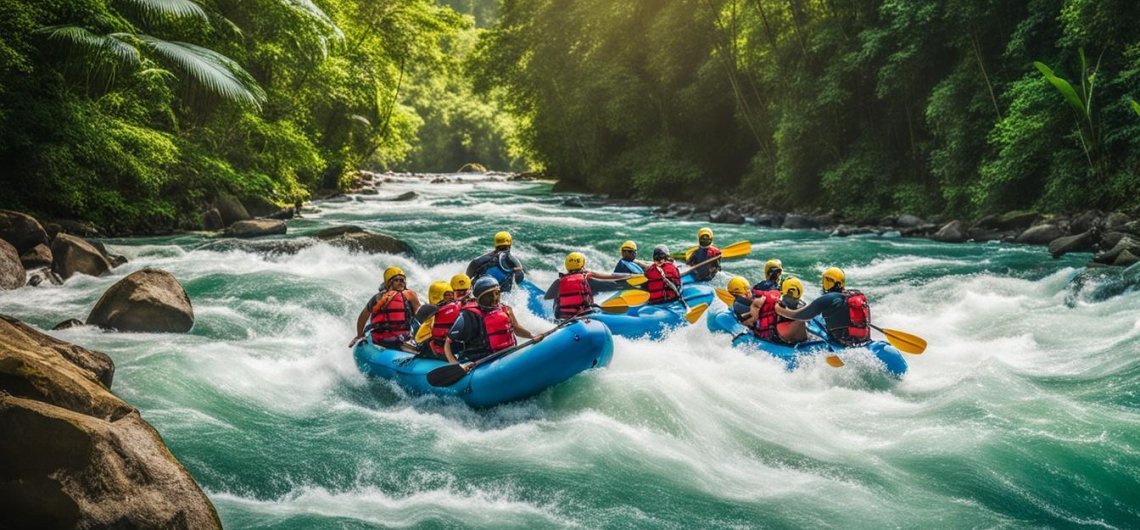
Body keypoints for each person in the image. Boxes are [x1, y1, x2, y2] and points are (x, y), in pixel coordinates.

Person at [444, 276, 537, 368]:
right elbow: (448, 343)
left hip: (507, 354)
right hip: (482, 363)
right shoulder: (468, 315)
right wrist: (456, 365)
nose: (494, 298)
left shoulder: (505, 309)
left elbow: (516, 328)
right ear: (479, 298)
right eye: (489, 296)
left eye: (497, 293)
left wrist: (532, 336)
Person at [775, 268, 871, 346]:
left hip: (843, 343)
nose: (824, 284)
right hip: (863, 340)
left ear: (831, 282)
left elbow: (801, 315)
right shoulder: (857, 294)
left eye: (826, 281)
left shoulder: (829, 298)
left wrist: (779, 310)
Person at [351, 266, 422, 351]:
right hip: (384, 338)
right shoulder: (378, 297)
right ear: (389, 282)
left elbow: (419, 316)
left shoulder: (410, 295)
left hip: (402, 336)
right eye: (397, 280)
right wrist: (360, 335)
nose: (400, 282)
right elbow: (363, 316)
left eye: (402, 280)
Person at [554, 252, 632, 319]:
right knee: (597, 309)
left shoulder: (561, 280)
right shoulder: (585, 274)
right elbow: (610, 277)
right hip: (583, 314)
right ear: (582, 265)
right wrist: (629, 276)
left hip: (564, 317)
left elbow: (557, 301)